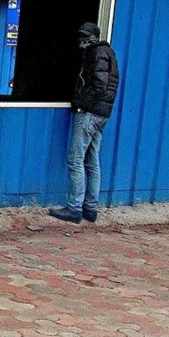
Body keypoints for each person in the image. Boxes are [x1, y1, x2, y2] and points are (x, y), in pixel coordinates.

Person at [49, 21, 119, 224]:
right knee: (92, 161)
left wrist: (81, 105)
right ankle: (90, 208)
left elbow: (98, 84)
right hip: (101, 114)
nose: (80, 41)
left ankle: (74, 209)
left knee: (75, 159)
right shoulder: (108, 53)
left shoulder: (96, 54)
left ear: (91, 38)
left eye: (83, 37)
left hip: (89, 113)